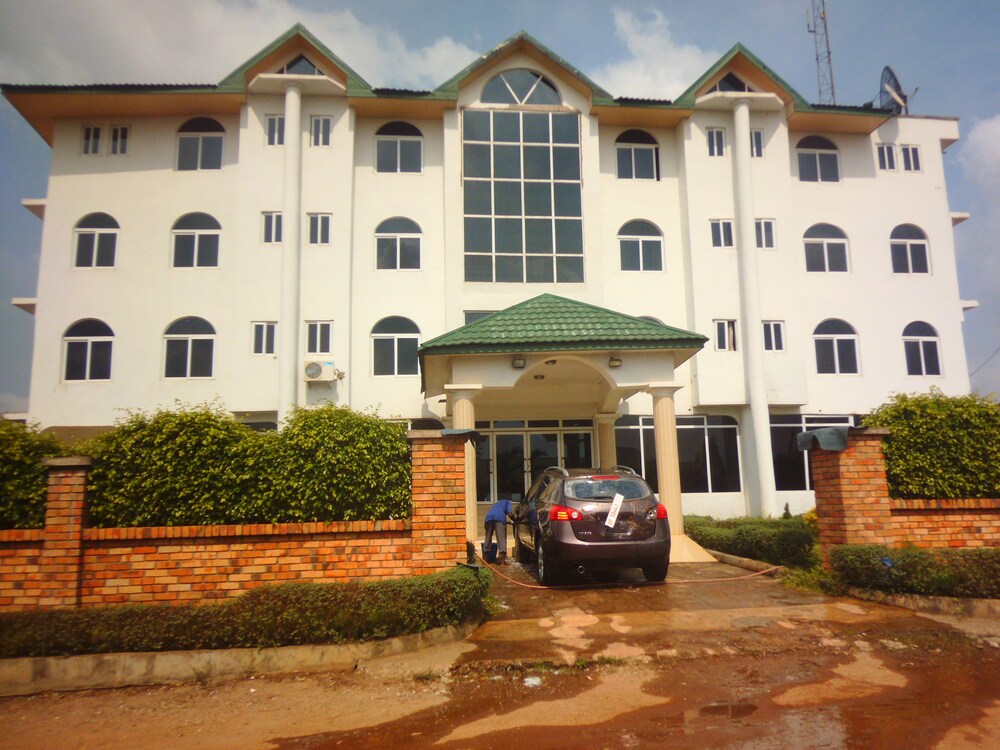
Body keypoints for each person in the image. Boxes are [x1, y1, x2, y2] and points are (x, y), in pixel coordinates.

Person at [483, 498, 514, 565]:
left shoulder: (496, 504)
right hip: (499, 518)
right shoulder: (508, 502)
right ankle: (503, 563)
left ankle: (485, 561)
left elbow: (495, 514)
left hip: (488, 518)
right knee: (501, 539)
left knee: (487, 538)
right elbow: (510, 514)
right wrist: (516, 520)